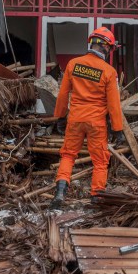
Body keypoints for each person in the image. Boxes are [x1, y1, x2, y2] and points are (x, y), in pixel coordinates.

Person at [50, 27, 125, 209]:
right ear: (107, 48)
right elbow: (113, 104)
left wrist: (59, 117)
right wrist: (117, 129)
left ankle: (60, 193)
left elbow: (62, 95)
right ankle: (96, 197)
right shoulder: (108, 71)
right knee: (100, 161)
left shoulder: (73, 64)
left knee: (68, 155)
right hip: (96, 123)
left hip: (75, 120)